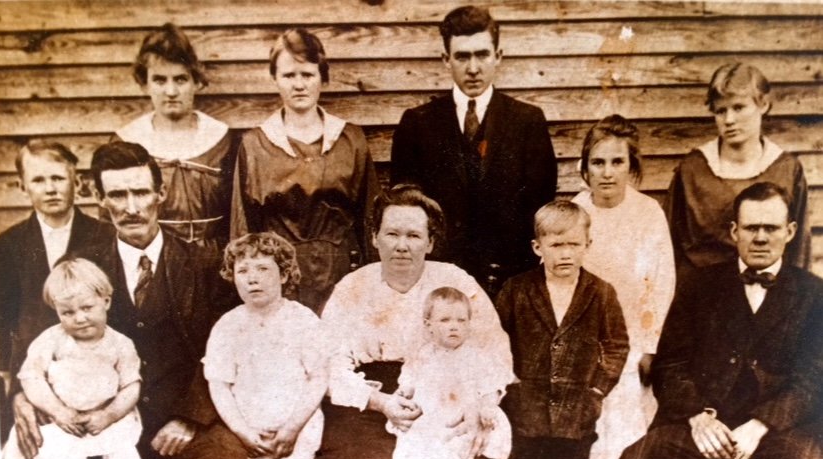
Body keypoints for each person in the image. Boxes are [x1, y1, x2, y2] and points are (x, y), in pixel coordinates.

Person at [8, 141, 254, 459]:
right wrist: (24, 396)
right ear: (100, 200)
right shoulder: (79, 266)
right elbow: (36, 342)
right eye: (117, 195)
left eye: (141, 192)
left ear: (161, 194)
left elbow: (227, 349)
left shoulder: (201, 262)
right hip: (99, 422)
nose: (131, 207)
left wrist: (190, 416)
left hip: (181, 420)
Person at [618, 182, 823, 459]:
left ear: (789, 231)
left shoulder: (814, 295)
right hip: (703, 428)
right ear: (734, 232)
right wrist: (698, 417)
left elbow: (814, 378)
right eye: (751, 228)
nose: (760, 237)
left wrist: (762, 423)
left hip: (776, 435)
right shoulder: (699, 285)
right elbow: (670, 364)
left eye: (770, 228)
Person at [319, 184, 513, 459]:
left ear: (430, 241)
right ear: (374, 238)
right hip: (371, 405)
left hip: (452, 402)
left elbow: (494, 350)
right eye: (391, 234)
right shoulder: (352, 287)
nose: (402, 245)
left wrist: (480, 403)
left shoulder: (455, 281)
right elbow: (328, 364)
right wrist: (380, 402)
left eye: (413, 235)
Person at [494, 201, 629, 459]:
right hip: (527, 412)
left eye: (573, 244)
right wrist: (510, 385)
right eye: (556, 245)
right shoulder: (517, 290)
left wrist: (596, 391)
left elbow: (616, 345)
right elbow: (495, 341)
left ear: (587, 245)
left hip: (575, 414)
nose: (565, 254)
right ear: (538, 247)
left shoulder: (600, 293)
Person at [2, 258, 172, 459]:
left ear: (106, 301)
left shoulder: (120, 344)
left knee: (125, 456)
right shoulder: (51, 340)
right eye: (67, 312)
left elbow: (131, 386)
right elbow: (31, 378)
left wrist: (108, 415)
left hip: (108, 419)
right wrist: (59, 412)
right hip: (63, 421)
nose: (79, 318)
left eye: (87, 308)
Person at [390, 5, 557, 293]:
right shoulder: (417, 123)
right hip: (439, 279)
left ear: (498, 56)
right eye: (462, 56)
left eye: (482, 54)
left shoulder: (527, 121)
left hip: (510, 279)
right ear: (446, 59)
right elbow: (406, 206)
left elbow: (540, 204)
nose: (473, 68)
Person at [569, 115, 676, 459]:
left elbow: (661, 284)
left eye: (617, 162)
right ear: (585, 167)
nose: (607, 173)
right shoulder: (577, 211)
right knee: (592, 444)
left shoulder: (648, 214)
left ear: (632, 166)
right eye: (598, 163)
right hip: (586, 345)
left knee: (627, 437)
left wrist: (649, 347)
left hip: (632, 347)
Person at [231, 27, 379, 312]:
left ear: (322, 76)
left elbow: (371, 218)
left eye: (308, 74)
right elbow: (243, 228)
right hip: (280, 279)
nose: (299, 85)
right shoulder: (255, 144)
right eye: (289, 75)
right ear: (275, 78)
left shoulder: (350, 139)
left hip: (342, 274)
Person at [203, 232, 327, 459]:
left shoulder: (302, 320)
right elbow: (219, 385)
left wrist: (291, 429)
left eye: (263, 269)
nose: (252, 278)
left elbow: (318, 378)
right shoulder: (228, 326)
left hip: (296, 430)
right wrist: (243, 432)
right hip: (250, 433)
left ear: (284, 274)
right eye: (243, 271)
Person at [0, 140, 113, 440]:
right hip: (32, 378)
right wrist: (17, 390)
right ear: (23, 187)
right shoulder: (8, 245)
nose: (50, 189)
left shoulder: (105, 237)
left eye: (58, 178)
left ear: (77, 183)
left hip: (96, 374)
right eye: (38, 180)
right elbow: (3, 322)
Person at [376, 286, 514, 459]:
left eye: (461, 320)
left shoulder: (476, 355)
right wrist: (405, 391)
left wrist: (488, 405)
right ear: (428, 325)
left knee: (454, 445)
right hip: (429, 414)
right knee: (410, 439)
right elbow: (409, 378)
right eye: (445, 320)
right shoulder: (423, 354)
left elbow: (493, 384)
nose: (454, 326)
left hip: (461, 418)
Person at [665, 62, 810, 280]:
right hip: (704, 292)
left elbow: (800, 251)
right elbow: (667, 245)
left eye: (739, 107)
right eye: (721, 111)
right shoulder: (692, 170)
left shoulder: (787, 169)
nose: (729, 120)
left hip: (770, 290)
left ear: (763, 105)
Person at [114, 22, 237, 254]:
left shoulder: (222, 139)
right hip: (152, 260)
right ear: (144, 84)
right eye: (159, 80)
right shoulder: (126, 142)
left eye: (180, 79)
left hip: (215, 260)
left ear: (196, 82)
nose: (171, 91)